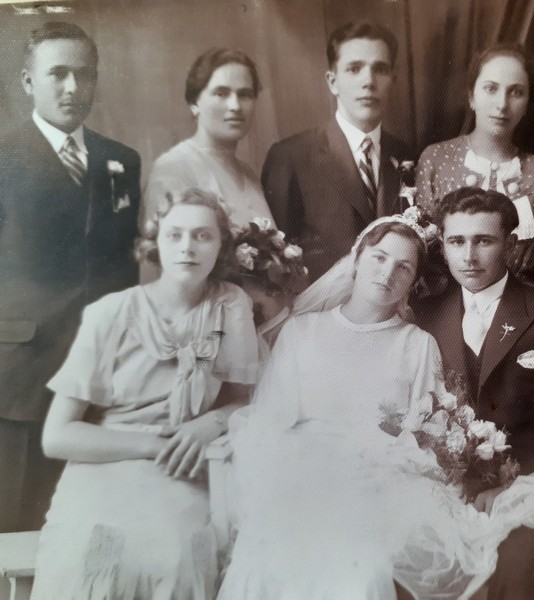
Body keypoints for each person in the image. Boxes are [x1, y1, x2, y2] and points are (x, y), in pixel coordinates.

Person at [218, 208, 534, 600]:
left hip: (380, 482)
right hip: (304, 476)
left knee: (358, 572)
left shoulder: (417, 343)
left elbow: (425, 433)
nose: (386, 274)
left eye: (403, 267)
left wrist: (375, 467)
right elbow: (271, 423)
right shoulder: (302, 331)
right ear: (357, 259)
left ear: (413, 281)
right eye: (378, 258)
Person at [29, 188, 259, 599]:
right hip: (110, 460)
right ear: (156, 242)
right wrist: (154, 445)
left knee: (177, 552)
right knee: (96, 551)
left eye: (203, 236)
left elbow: (246, 398)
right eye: (175, 235)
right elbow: (58, 435)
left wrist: (208, 425)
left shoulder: (230, 304)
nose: (187, 247)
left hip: (187, 465)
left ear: (222, 244)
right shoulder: (110, 313)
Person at [414, 187, 534, 600]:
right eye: (456, 241)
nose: (469, 256)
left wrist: (518, 487)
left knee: (523, 577)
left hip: (531, 487)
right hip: (441, 488)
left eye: (484, 240)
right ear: (442, 246)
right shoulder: (425, 317)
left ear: (511, 245)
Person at [0, 21, 141, 532]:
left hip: (99, 374)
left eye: (84, 75)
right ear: (27, 81)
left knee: (89, 528)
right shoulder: (3, 158)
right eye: (57, 74)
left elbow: (123, 269)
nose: (72, 88)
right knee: (15, 529)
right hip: (19, 372)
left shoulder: (120, 161)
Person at [261, 20, 412, 282]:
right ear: (333, 82)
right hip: (318, 313)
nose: (368, 81)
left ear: (393, 80)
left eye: (380, 69)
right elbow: (275, 261)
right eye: (354, 69)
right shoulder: (290, 157)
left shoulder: (407, 154)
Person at [416, 43, 534, 286]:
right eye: (491, 88)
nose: (502, 104)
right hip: (443, 309)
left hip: (518, 310)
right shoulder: (436, 159)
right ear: (471, 96)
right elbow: (420, 250)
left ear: (527, 104)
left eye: (516, 92)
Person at [143, 48, 273, 229]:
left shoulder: (249, 175)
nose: (235, 106)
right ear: (195, 103)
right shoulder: (173, 169)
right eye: (221, 93)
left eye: (245, 94)